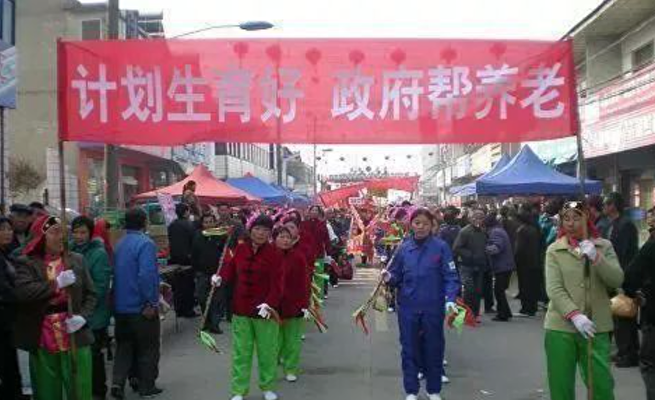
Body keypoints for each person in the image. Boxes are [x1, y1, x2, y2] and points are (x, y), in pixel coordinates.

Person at [544, 201, 623, 400]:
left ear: (587, 218)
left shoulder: (604, 246)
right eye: (566, 219)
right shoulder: (554, 250)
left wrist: (597, 258)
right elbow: (554, 288)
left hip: (596, 327)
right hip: (561, 327)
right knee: (561, 387)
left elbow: (616, 279)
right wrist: (575, 315)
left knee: (601, 387)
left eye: (576, 218)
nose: (571, 223)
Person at [13, 216, 97, 400]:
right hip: (43, 335)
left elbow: (91, 294)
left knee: (80, 388)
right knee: (47, 390)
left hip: (75, 334)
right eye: (55, 232)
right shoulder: (26, 262)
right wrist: (56, 284)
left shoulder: (77, 260)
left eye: (63, 232)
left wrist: (83, 317)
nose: (61, 237)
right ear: (41, 237)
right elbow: (23, 292)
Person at [382, 208, 460, 400]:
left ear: (432, 225)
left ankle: (433, 390)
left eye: (425, 223)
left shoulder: (441, 247)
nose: (421, 227)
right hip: (408, 307)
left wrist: (450, 299)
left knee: (434, 347)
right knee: (409, 348)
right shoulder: (403, 248)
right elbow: (396, 275)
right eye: (417, 223)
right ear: (411, 225)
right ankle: (411, 390)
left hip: (433, 307)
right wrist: (388, 277)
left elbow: (451, 276)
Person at [212, 215, 284, 400]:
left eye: (265, 230)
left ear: (270, 234)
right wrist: (220, 278)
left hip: (264, 311)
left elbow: (278, 283)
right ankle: (239, 390)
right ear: (251, 230)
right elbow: (230, 269)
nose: (261, 233)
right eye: (257, 229)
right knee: (241, 352)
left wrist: (270, 303)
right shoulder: (241, 249)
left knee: (267, 352)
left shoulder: (275, 254)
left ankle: (267, 387)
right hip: (241, 309)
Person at [111, 208, 162, 399]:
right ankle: (147, 385)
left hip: (120, 306)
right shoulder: (145, 243)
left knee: (124, 347)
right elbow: (146, 275)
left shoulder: (119, 244)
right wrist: (151, 301)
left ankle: (118, 382)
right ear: (144, 222)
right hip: (140, 306)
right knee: (148, 348)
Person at [71, 216, 112, 399]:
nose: (79, 236)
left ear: (90, 233)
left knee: (93, 354)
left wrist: (85, 309)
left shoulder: (98, 253)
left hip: (95, 314)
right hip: (74, 313)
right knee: (79, 355)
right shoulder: (69, 251)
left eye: (83, 232)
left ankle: (98, 391)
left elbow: (100, 286)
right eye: (76, 232)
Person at [604, 192, 640, 368]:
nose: (604, 207)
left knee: (624, 314)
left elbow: (624, 254)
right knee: (618, 315)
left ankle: (629, 354)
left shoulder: (625, 225)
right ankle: (623, 350)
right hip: (615, 274)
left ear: (613, 205)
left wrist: (621, 278)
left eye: (607, 203)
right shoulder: (614, 224)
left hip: (624, 276)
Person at [624, 207, 655, 400]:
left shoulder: (651, 247)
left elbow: (630, 276)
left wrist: (634, 292)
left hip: (653, 315)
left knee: (651, 365)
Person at [275, 225, 310, 383]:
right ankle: (272, 365)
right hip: (273, 306)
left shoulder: (298, 257)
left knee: (293, 341)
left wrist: (304, 304)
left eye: (288, 237)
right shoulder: (268, 256)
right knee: (273, 340)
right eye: (281, 237)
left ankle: (291, 368)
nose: (285, 240)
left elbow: (304, 283)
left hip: (294, 305)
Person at [0, 217, 24, 400]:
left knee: (9, 363)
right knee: (6, 365)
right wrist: (25, 295)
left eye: (9, 229)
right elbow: (4, 289)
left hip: (8, 321)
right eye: (2, 229)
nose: (8, 232)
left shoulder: (6, 254)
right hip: (2, 321)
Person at [192, 212, 227, 334]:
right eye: (206, 222)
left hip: (217, 272)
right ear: (202, 224)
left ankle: (215, 324)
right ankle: (206, 322)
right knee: (202, 297)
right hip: (202, 273)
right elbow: (194, 254)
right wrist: (196, 270)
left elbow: (226, 251)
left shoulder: (221, 236)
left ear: (214, 222)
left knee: (217, 300)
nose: (208, 224)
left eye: (211, 222)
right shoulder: (197, 236)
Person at [452, 209, 489, 319]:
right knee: (469, 290)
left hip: (479, 265)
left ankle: (474, 314)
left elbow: (485, 245)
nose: (478, 220)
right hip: (466, 265)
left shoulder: (483, 231)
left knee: (478, 291)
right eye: (476, 218)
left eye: (481, 218)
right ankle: (466, 314)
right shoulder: (465, 231)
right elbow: (456, 247)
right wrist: (470, 255)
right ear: (471, 219)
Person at [167, 203, 198, 318]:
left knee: (178, 287)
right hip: (187, 260)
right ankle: (188, 310)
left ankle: (179, 310)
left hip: (174, 259)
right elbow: (194, 242)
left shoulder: (172, 225)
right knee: (188, 286)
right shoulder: (189, 225)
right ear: (185, 212)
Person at [484, 212, 515, 322]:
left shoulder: (495, 232)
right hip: (506, 265)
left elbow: (497, 248)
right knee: (500, 290)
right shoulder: (500, 230)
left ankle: (503, 314)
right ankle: (506, 312)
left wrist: (484, 248)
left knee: (498, 291)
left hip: (502, 266)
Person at [514, 204, 542, 317]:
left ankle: (526, 308)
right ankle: (532, 308)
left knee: (524, 286)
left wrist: (515, 259)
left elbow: (519, 249)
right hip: (535, 261)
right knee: (533, 285)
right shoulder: (536, 228)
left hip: (524, 262)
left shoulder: (522, 230)